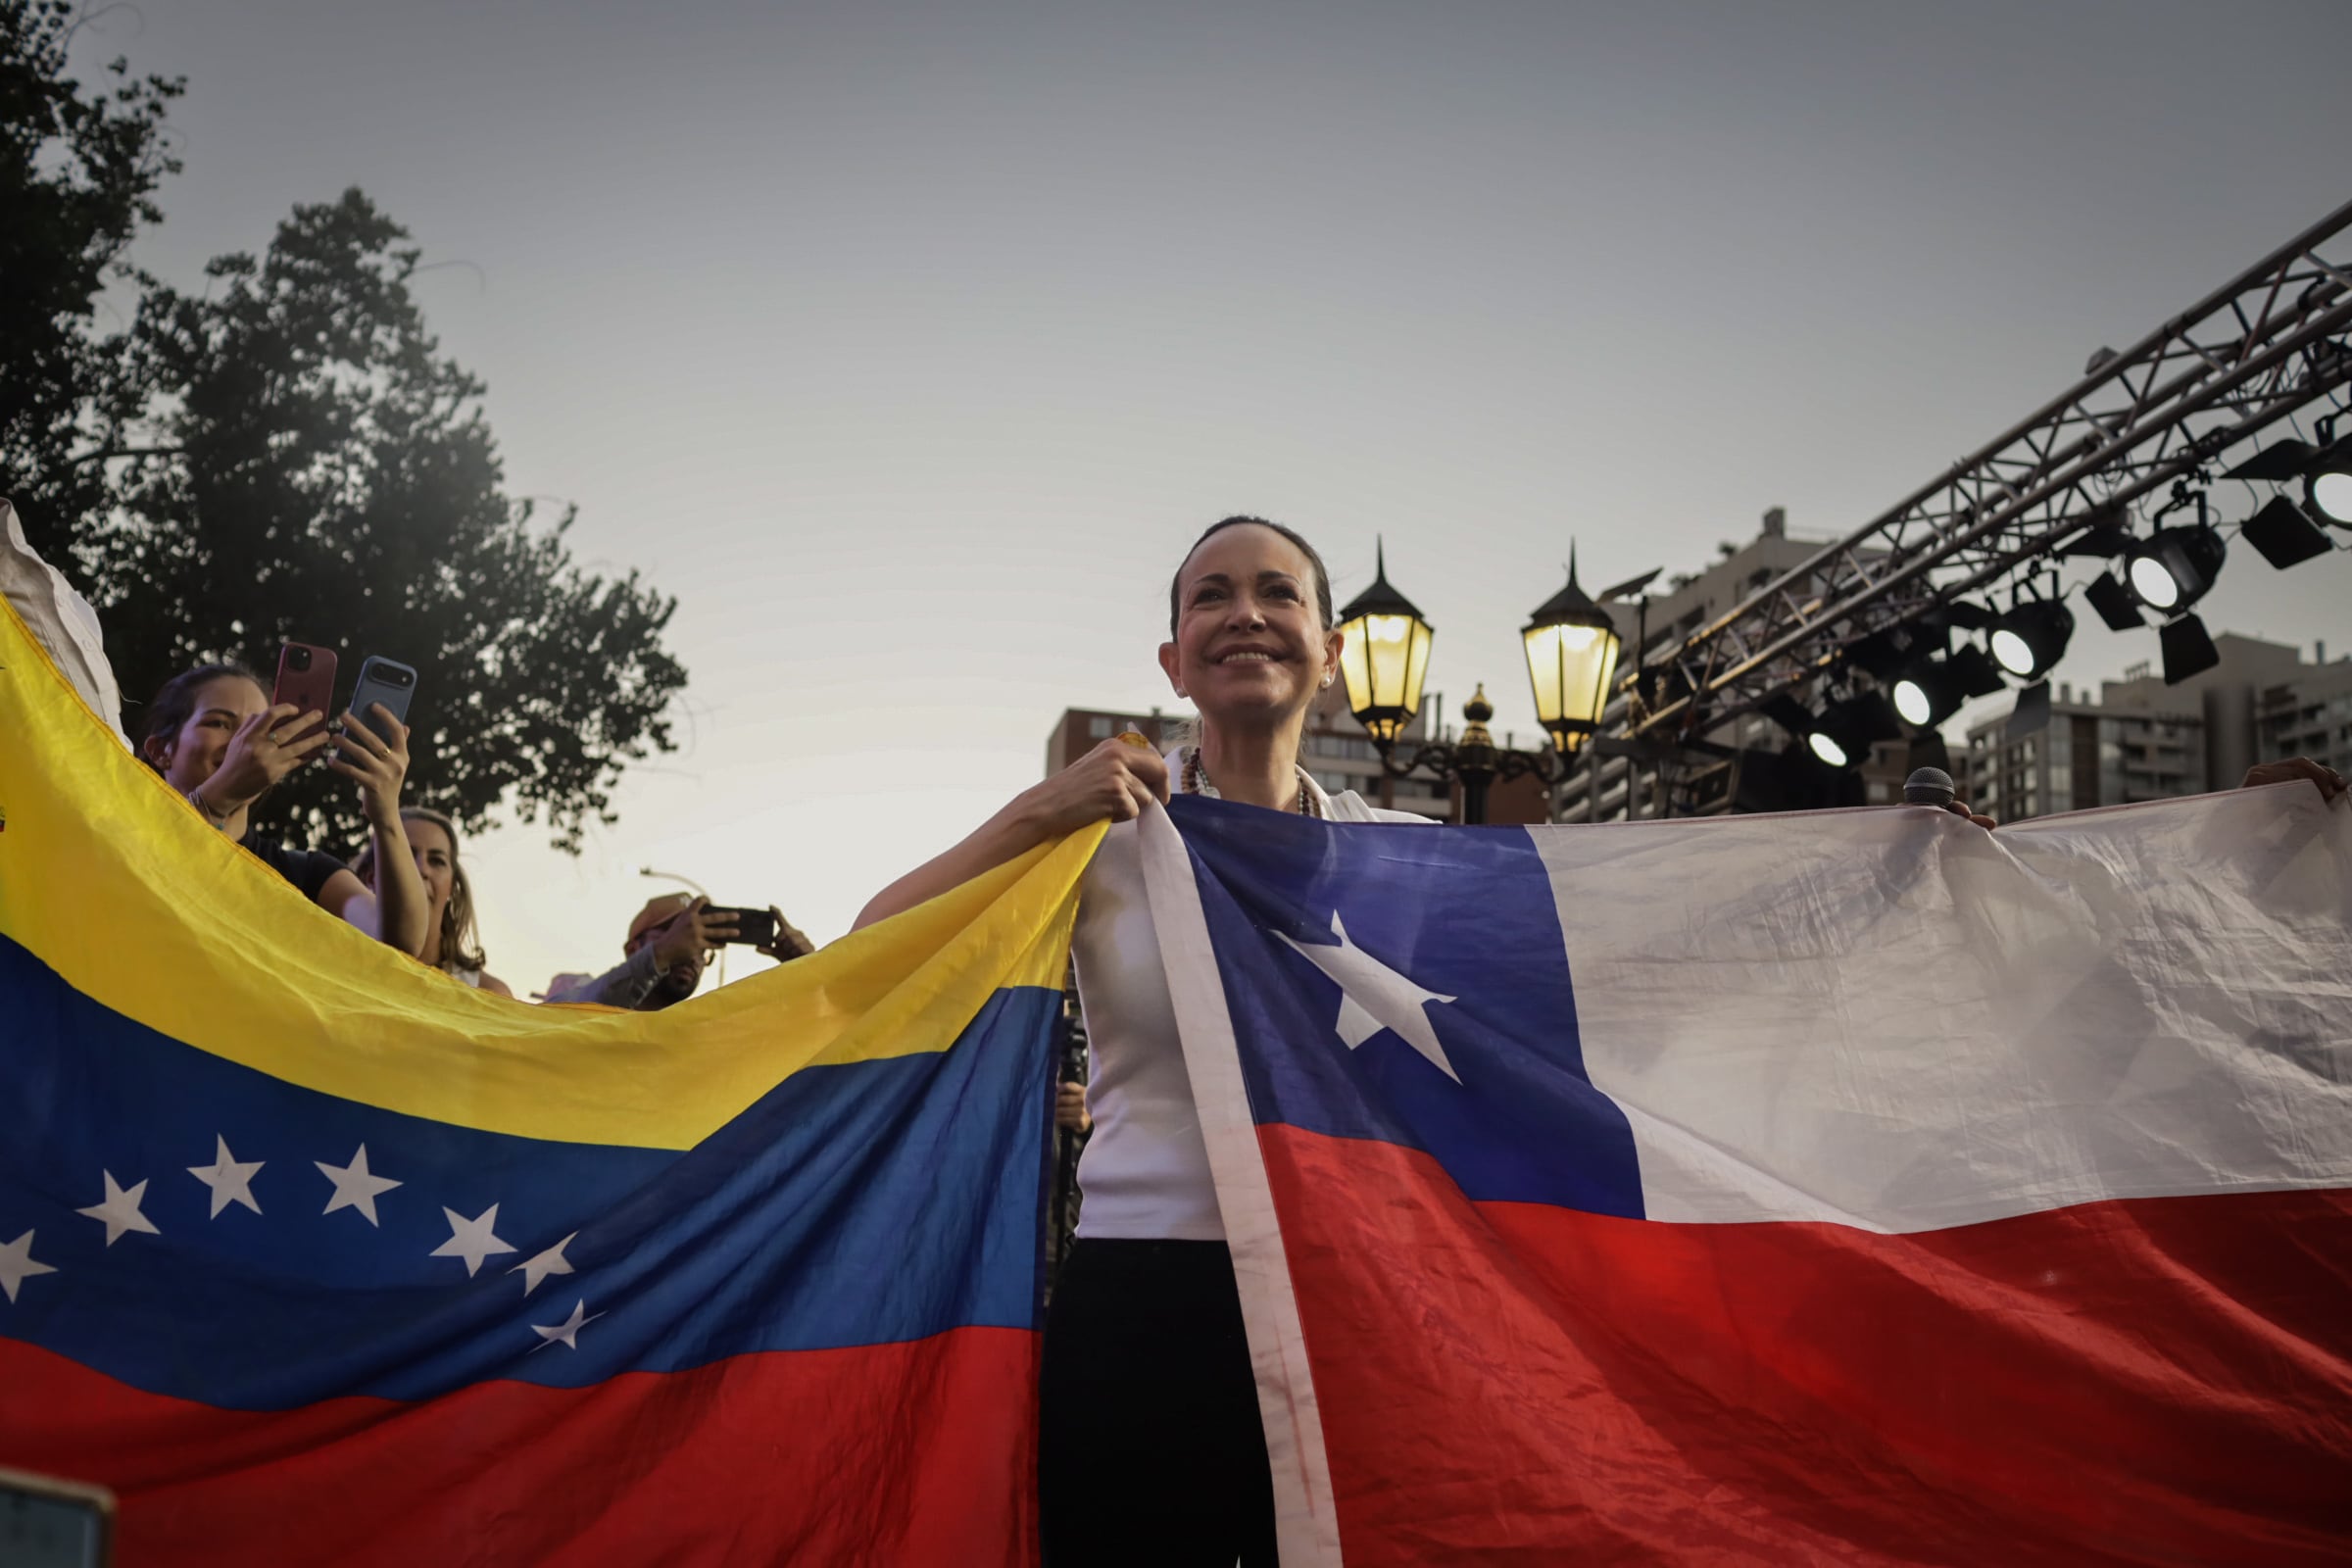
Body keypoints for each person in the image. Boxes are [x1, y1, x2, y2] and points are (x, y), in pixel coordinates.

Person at [857, 514, 1426, 1567]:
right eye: (1211, 596)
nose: (1245, 613)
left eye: (1277, 592)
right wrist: (1040, 811)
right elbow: (875, 944)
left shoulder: (1405, 862)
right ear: (1173, 660)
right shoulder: (1106, 829)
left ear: (1333, 653)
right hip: (1144, 1296)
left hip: (1349, 1301)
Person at [137, 662, 429, 956]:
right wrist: (215, 803)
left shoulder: (303, 874)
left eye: (258, 728)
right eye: (219, 723)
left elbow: (398, 942)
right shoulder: (123, 827)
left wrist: (386, 814)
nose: (244, 743)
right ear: (162, 750)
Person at [544, 893, 814, 1010]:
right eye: (675, 931)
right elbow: (562, 1015)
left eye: (703, 934)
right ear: (633, 949)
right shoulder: (582, 996)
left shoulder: (700, 1031)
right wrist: (661, 955)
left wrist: (810, 973)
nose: (692, 947)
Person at [351, 807, 514, 996]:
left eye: (437, 861)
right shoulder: (337, 967)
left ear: (452, 887)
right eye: (407, 855)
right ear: (371, 877)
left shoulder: (488, 993)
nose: (422, 870)